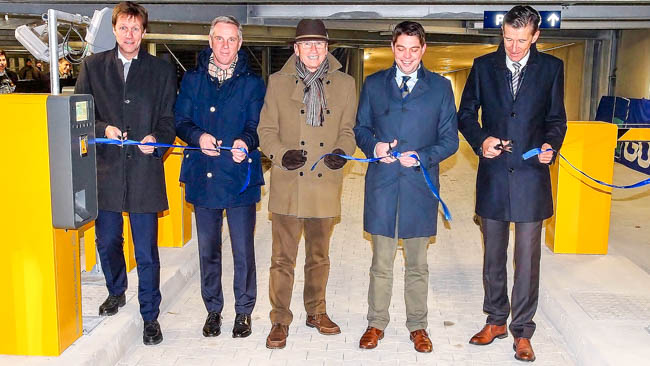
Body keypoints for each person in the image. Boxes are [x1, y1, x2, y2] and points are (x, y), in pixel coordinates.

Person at [457, 5, 567, 362]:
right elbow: (465, 114)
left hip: (532, 176)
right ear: (501, 33)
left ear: (536, 36)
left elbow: (556, 119)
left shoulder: (551, 69)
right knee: (493, 257)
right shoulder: (483, 66)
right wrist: (482, 140)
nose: (514, 47)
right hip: (493, 174)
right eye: (508, 38)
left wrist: (551, 145)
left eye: (521, 40)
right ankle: (495, 320)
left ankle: (523, 331)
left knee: (527, 259)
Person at [74, 1, 177, 346]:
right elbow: (82, 115)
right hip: (107, 171)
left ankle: (150, 316)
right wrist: (104, 127)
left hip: (145, 171)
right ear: (114, 30)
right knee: (107, 241)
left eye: (136, 28)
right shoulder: (92, 66)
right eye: (123, 28)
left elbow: (167, 121)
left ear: (144, 31)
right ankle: (116, 290)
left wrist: (158, 141)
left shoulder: (161, 71)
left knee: (147, 250)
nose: (129, 34)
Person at [354, 21, 459, 353]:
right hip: (383, 185)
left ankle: (418, 326)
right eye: (401, 48)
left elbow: (450, 141)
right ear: (392, 48)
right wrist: (375, 147)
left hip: (419, 187)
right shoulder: (373, 85)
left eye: (414, 49)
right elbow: (360, 128)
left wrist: (422, 157)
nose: (407, 56)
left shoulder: (441, 88)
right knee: (381, 263)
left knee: (417, 264)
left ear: (423, 49)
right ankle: (375, 323)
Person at [258, 18, 357, 349]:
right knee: (282, 259)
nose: (314, 50)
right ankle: (279, 320)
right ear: (296, 48)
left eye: (319, 44)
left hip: (324, 183)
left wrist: (343, 151)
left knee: (319, 256)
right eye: (307, 44)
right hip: (288, 184)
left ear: (327, 47)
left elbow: (348, 129)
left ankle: (316, 311)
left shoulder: (344, 84)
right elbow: (266, 131)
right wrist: (279, 154)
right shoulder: (277, 82)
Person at [175, 15, 265, 339]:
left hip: (239, 177)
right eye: (220, 38)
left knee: (243, 250)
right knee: (208, 250)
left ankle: (244, 312)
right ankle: (213, 309)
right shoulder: (192, 80)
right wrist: (197, 137)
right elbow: (180, 121)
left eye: (232, 39)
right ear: (210, 41)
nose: (225, 45)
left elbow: (257, 127)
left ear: (240, 44)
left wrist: (246, 142)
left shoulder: (253, 83)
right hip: (204, 177)